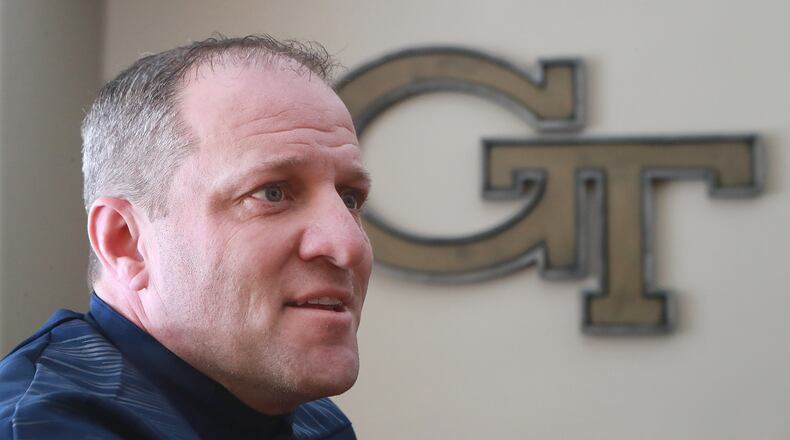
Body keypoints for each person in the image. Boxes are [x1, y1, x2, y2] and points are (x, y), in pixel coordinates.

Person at [0, 35, 373, 439]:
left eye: (349, 198)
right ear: (125, 242)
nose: (348, 245)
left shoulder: (316, 423)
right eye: (272, 193)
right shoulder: (39, 426)